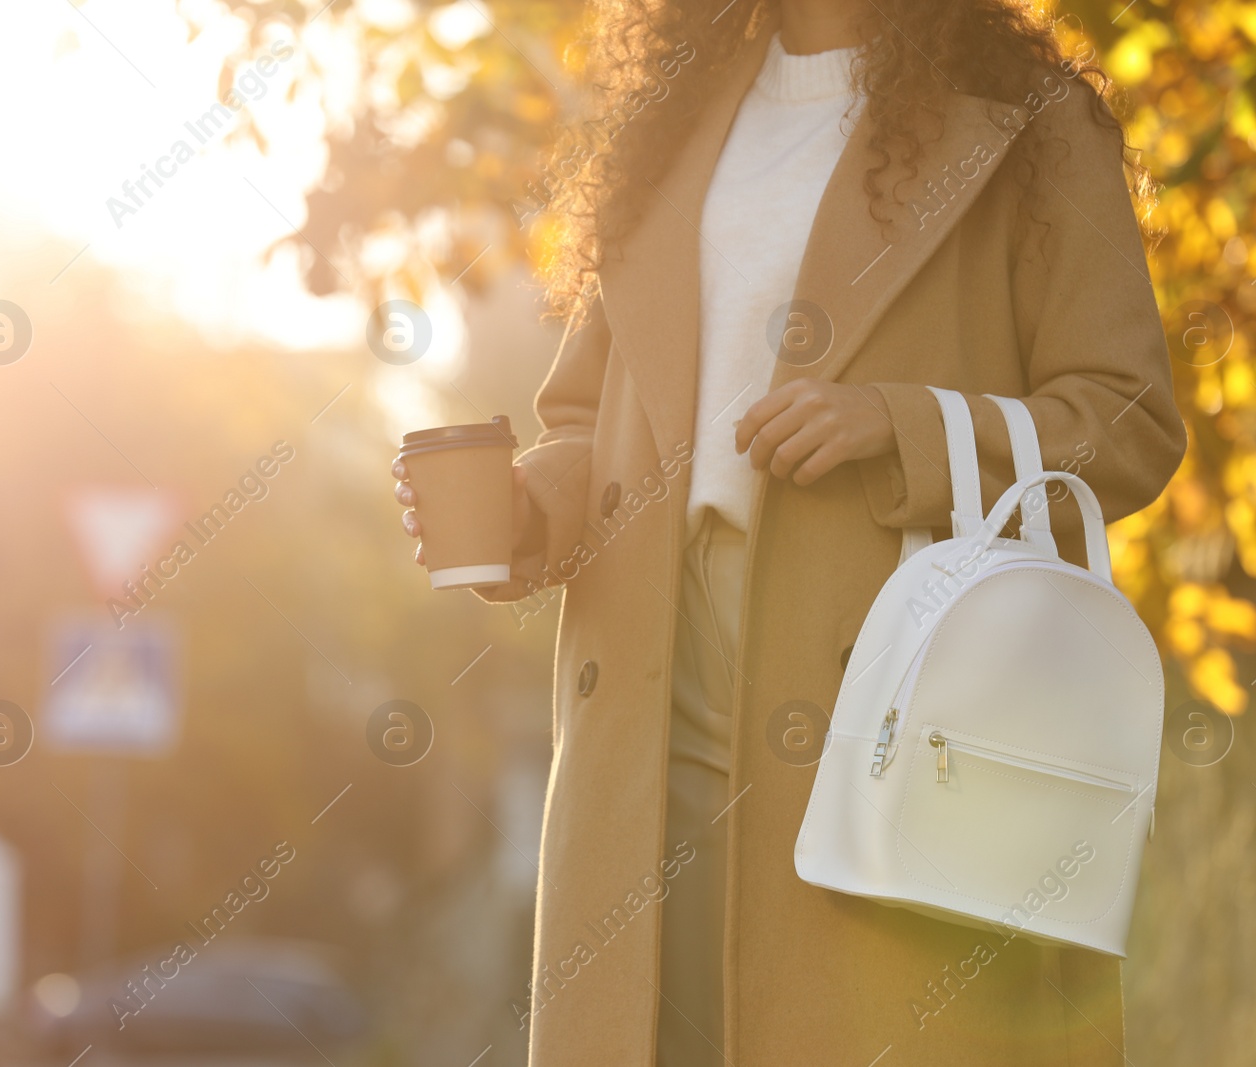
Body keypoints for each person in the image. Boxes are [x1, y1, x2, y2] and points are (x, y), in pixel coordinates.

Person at [393, 0, 1185, 1063]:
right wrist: (528, 506)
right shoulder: (667, 127)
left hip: (898, 695)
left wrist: (895, 422)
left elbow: (1126, 422)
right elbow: (589, 417)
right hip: (651, 683)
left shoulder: (1035, 125)